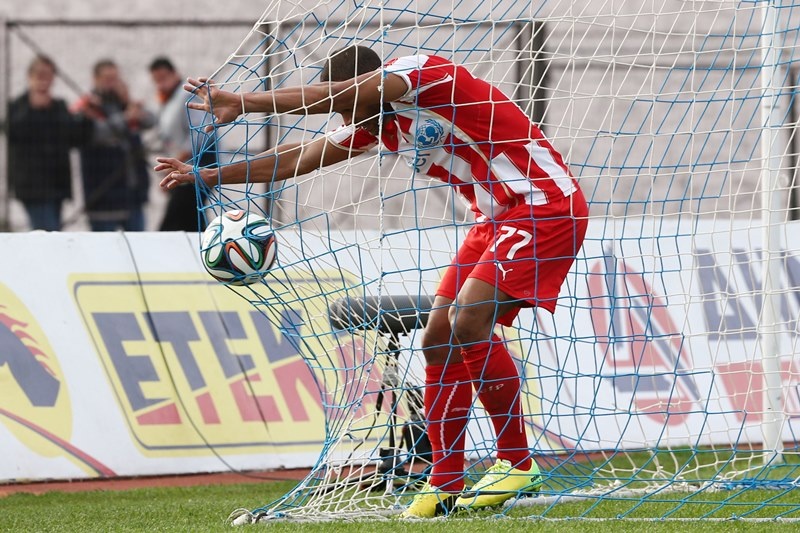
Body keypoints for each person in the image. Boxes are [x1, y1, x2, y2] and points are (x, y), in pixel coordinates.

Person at [156, 45, 588, 518]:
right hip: (495, 219)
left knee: (468, 319)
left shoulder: (421, 74)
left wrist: (245, 102)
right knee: (438, 338)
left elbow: (339, 92)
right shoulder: (378, 124)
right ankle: (444, 484)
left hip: (544, 205)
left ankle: (515, 462)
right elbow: (300, 158)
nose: (340, 115)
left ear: (368, 84)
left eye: (344, 106)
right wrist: (209, 174)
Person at [7, 55, 92, 230]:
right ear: (30, 76)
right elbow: (13, 132)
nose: (43, 79)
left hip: (57, 184)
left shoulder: (59, 107)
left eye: (48, 75)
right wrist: (33, 109)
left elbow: (76, 139)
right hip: (32, 187)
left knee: (52, 233)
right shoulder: (18, 106)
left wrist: (86, 118)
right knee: (48, 233)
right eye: (39, 74)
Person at [74, 59, 153, 231]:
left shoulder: (122, 104)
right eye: (107, 78)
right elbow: (94, 132)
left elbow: (151, 120)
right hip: (102, 193)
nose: (112, 83)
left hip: (132, 194)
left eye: (115, 78)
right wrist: (125, 118)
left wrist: (128, 102)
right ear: (95, 79)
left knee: (138, 249)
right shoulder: (87, 106)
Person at [149, 57, 215, 232]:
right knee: (192, 220)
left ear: (174, 73)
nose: (161, 84)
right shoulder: (169, 100)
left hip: (198, 164)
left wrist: (177, 162)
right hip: (184, 168)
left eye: (163, 78)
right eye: (157, 80)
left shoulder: (186, 96)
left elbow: (199, 134)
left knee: (176, 220)